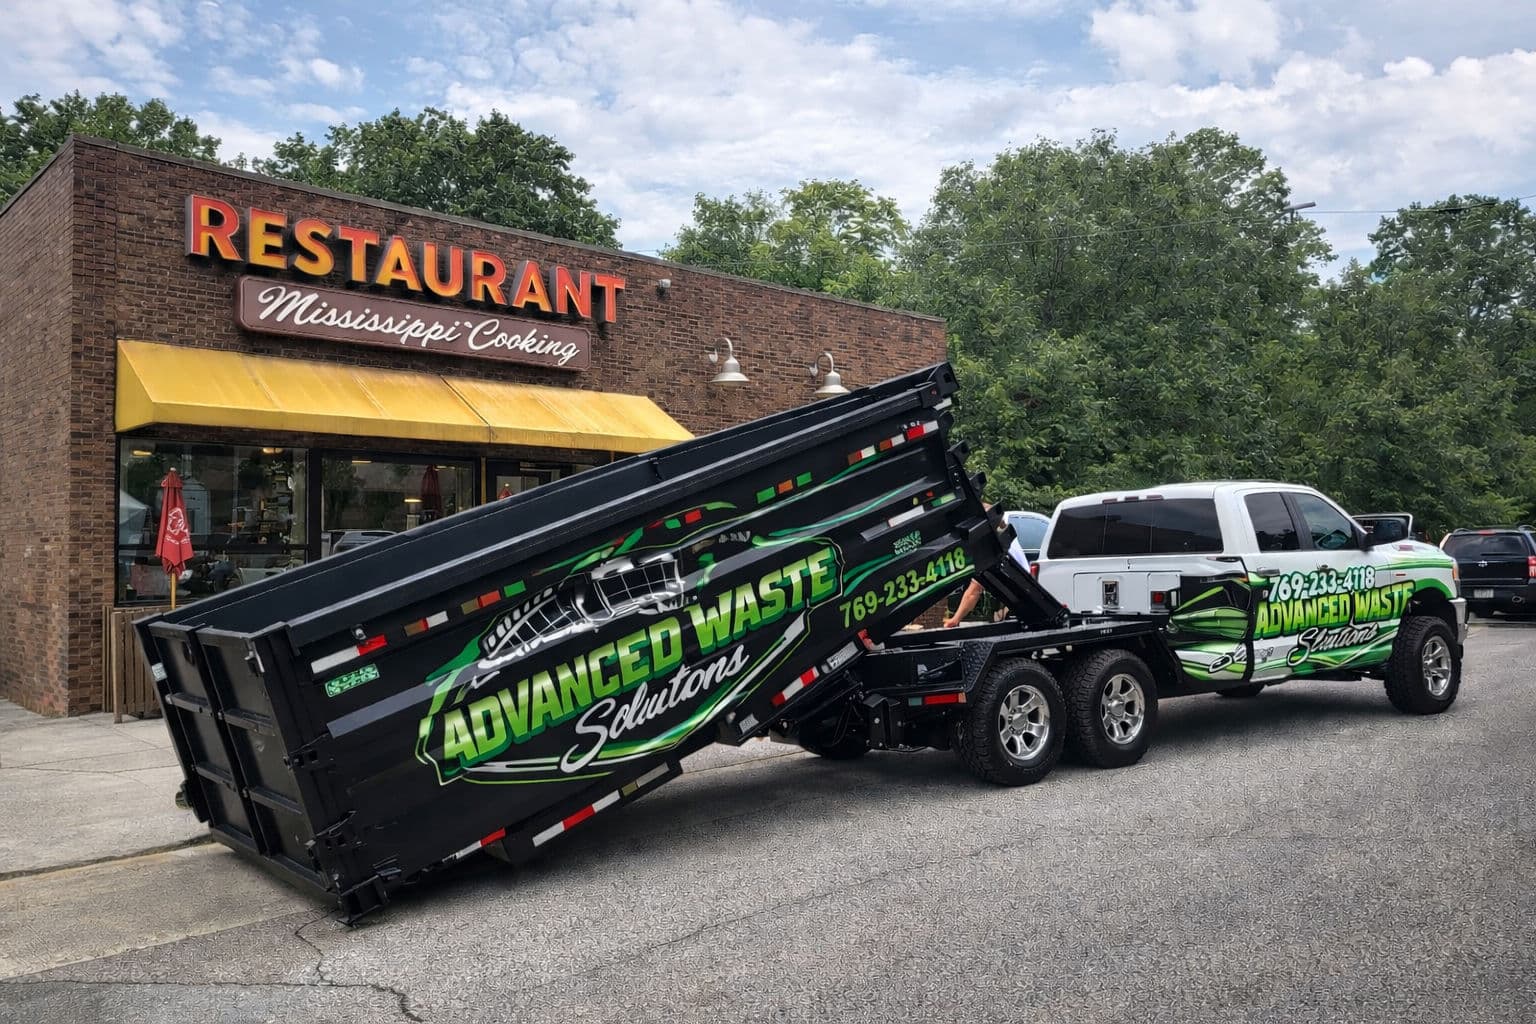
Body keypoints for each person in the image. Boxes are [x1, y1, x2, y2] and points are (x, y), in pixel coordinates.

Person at [943, 508, 1026, 628]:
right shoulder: (1006, 542)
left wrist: (955, 620)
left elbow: (974, 592)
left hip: (1019, 603)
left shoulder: (995, 550)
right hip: (1022, 596)